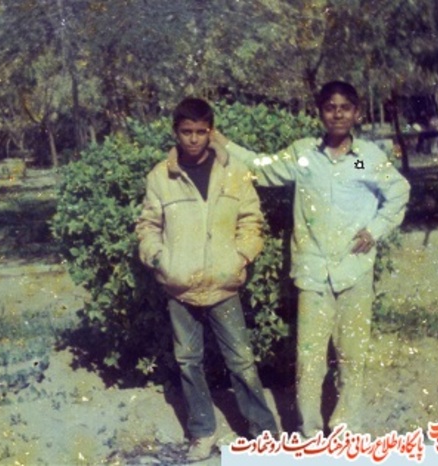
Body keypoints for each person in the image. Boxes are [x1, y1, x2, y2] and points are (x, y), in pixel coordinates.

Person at [213, 81, 411, 438]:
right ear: (320, 112)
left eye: (345, 107)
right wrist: (221, 142)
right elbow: (262, 168)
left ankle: (347, 430)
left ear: (357, 113)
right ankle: (309, 432)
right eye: (330, 107)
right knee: (309, 358)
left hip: (354, 270)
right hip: (313, 274)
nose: (338, 114)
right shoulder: (304, 155)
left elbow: (397, 190)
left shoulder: (363, 157)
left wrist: (375, 229)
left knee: (352, 356)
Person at [135, 97, 279, 461]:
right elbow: (148, 225)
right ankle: (202, 432)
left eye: (201, 131)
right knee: (188, 362)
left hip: (223, 284)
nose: (194, 139)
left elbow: (251, 220)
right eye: (187, 131)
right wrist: (160, 260)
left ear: (211, 132)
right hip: (180, 286)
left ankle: (263, 433)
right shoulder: (160, 177)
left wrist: (240, 257)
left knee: (241, 360)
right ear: (176, 132)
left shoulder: (234, 172)